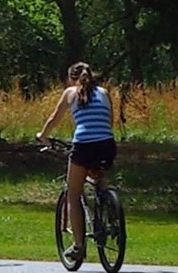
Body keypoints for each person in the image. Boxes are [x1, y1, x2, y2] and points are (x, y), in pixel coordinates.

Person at [36, 62, 117, 260]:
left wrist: (43, 136)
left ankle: (78, 246)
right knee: (98, 176)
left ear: (71, 78)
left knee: (73, 194)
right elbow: (110, 121)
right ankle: (109, 213)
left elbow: (54, 119)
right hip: (107, 144)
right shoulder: (104, 93)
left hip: (83, 145)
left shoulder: (70, 93)